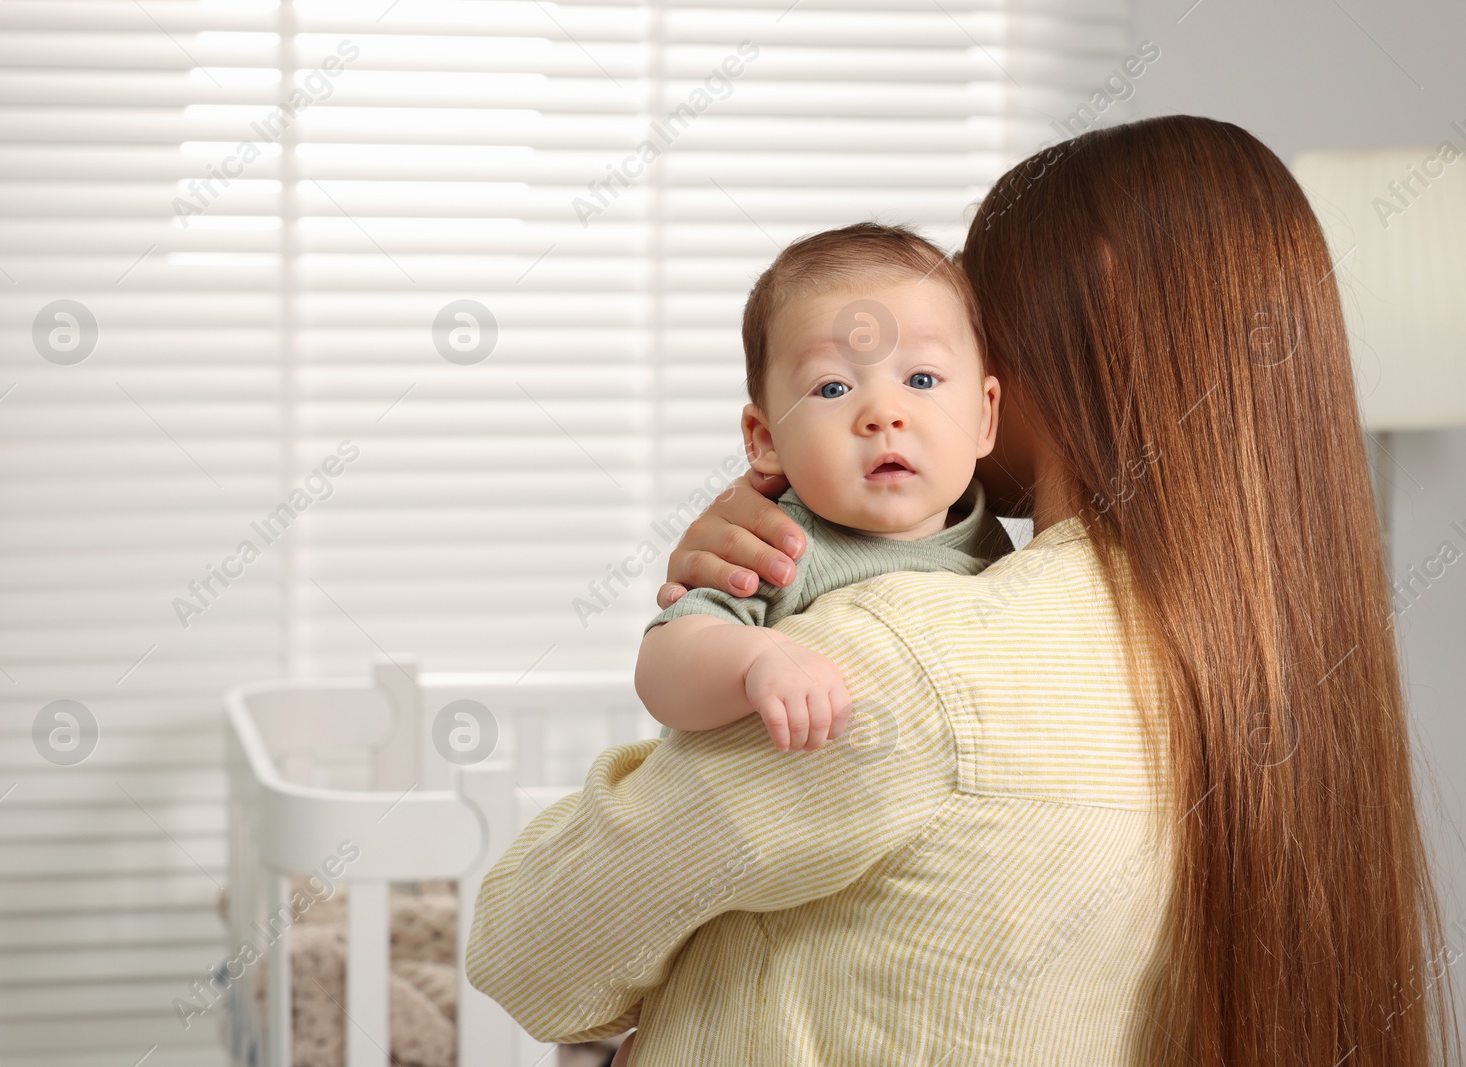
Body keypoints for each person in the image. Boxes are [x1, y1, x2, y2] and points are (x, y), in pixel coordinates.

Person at [465, 115, 1459, 1065]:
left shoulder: (901, 664)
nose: (889, 407)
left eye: (966, 333)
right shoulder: (1282, 674)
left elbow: (530, 951)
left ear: (1046, 352)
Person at [636, 222, 1013, 753]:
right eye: (832, 387)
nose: (884, 413)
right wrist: (759, 658)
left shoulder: (1002, 547)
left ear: (983, 416)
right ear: (765, 439)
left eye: (921, 380)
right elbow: (661, 667)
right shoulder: (780, 546)